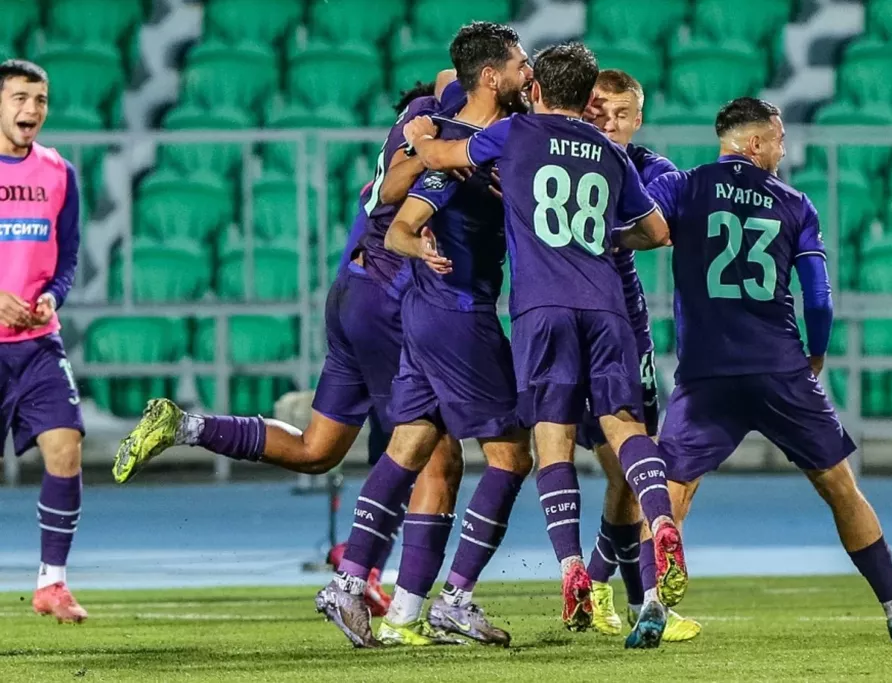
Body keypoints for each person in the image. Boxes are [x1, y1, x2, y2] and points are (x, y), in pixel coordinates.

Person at [112, 79, 461, 619]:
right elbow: (451, 78)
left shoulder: (400, 145)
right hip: (388, 306)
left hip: (352, 296)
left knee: (318, 450)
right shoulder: (435, 135)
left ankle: (186, 427)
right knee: (433, 455)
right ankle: (390, 602)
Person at [636, 96, 892, 648]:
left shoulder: (684, 186)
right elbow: (819, 299)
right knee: (839, 486)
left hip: (706, 372)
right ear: (754, 142)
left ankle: (652, 605)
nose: (783, 149)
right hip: (780, 367)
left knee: (672, 490)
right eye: (778, 139)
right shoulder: (795, 204)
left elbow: (638, 225)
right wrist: (816, 352)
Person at [402, 42, 685, 635]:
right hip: (608, 306)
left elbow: (443, 154)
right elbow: (658, 232)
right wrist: (605, 237)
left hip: (542, 308)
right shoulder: (611, 153)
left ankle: (572, 567)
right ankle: (662, 523)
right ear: (587, 98)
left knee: (552, 442)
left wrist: (420, 133)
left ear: (534, 90)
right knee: (627, 428)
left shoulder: (517, 133)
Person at [316, 22, 533, 649]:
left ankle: (359, 589)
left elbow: (396, 208)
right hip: (459, 315)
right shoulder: (473, 145)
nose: (527, 74)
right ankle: (455, 599)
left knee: (410, 444)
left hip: (421, 313)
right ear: (492, 76)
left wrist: (424, 151)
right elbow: (400, 214)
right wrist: (419, 234)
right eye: (520, 64)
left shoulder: (451, 131)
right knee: (511, 455)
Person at [580, 68, 700, 643]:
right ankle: (612, 589)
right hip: (565, 323)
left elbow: (668, 216)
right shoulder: (558, 158)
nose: (610, 122)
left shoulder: (648, 168)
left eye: (622, 114)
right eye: (599, 111)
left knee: (629, 473)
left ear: (639, 119)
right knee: (620, 469)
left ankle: (616, 592)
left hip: (625, 327)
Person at [0, 59, 86, 623]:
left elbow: (68, 253)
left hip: (38, 344)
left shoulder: (59, 172)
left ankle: (52, 582)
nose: (32, 109)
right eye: (20, 98)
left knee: (66, 447)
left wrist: (55, 294)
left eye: (41, 99)